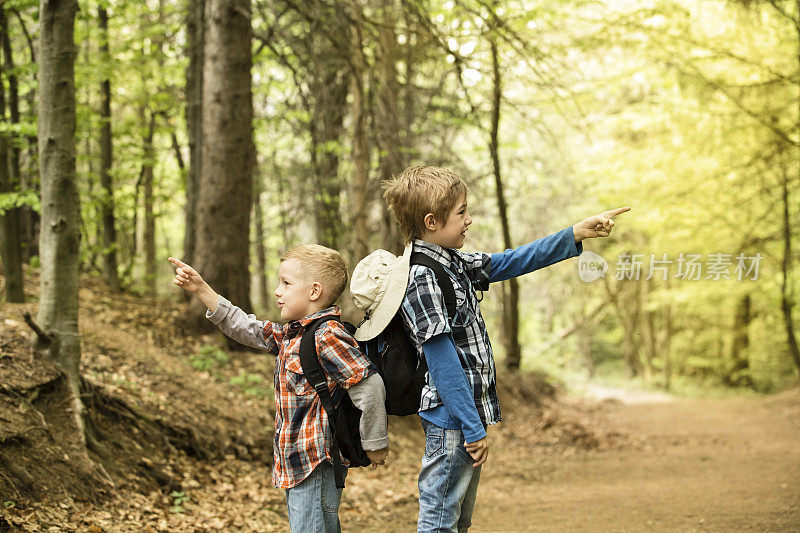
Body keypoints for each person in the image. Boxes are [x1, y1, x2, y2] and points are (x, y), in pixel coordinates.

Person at [373, 165, 629, 532]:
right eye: (461, 212)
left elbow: (510, 261)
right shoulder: (422, 276)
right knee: (439, 519)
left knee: (458, 519)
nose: (469, 220)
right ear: (432, 221)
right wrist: (472, 428)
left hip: (463, 419)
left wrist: (574, 232)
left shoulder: (453, 263)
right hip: (451, 421)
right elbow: (443, 363)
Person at [168, 244, 389, 533]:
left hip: (315, 462)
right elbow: (243, 327)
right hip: (295, 462)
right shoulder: (292, 335)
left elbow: (369, 386)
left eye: (286, 283)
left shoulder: (327, 335)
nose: (277, 291)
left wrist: (375, 443)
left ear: (314, 291)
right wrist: (201, 289)